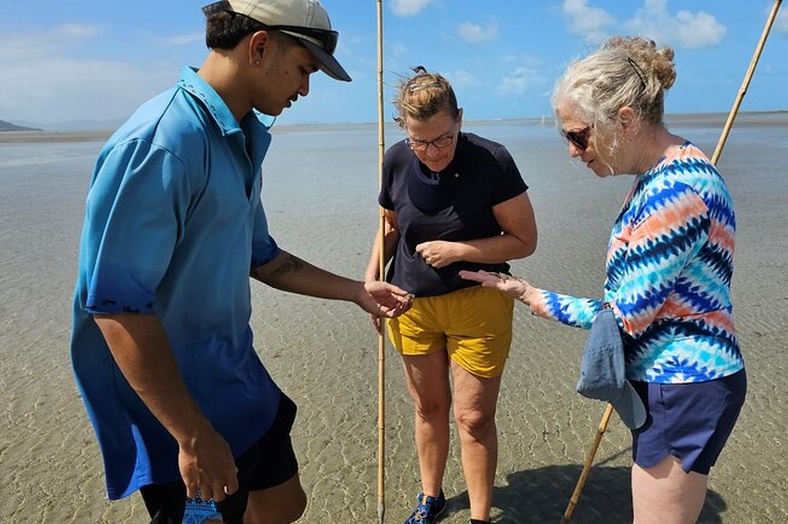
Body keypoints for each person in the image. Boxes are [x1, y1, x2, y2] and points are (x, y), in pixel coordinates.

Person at [69, 1, 413, 523]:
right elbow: (116, 308)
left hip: (237, 381)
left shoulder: (238, 135)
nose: (304, 90)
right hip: (180, 408)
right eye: (305, 69)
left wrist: (356, 290)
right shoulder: (162, 144)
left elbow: (263, 257)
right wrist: (191, 435)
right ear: (259, 47)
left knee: (283, 505)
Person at [462, 36, 747, 524]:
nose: (573, 153)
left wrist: (532, 295)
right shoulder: (669, 171)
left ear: (625, 120)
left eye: (578, 135)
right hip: (682, 379)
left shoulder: (674, 191)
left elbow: (624, 318)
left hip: (682, 382)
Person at [364, 67, 537, 524]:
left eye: (443, 138)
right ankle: (431, 496)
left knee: (473, 418)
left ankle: (479, 516)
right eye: (420, 141)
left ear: (459, 118)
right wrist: (368, 283)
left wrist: (463, 249)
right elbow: (388, 227)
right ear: (404, 128)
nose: (432, 152)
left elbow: (524, 240)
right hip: (410, 303)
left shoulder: (492, 160)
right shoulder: (397, 159)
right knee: (428, 407)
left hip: (479, 304)